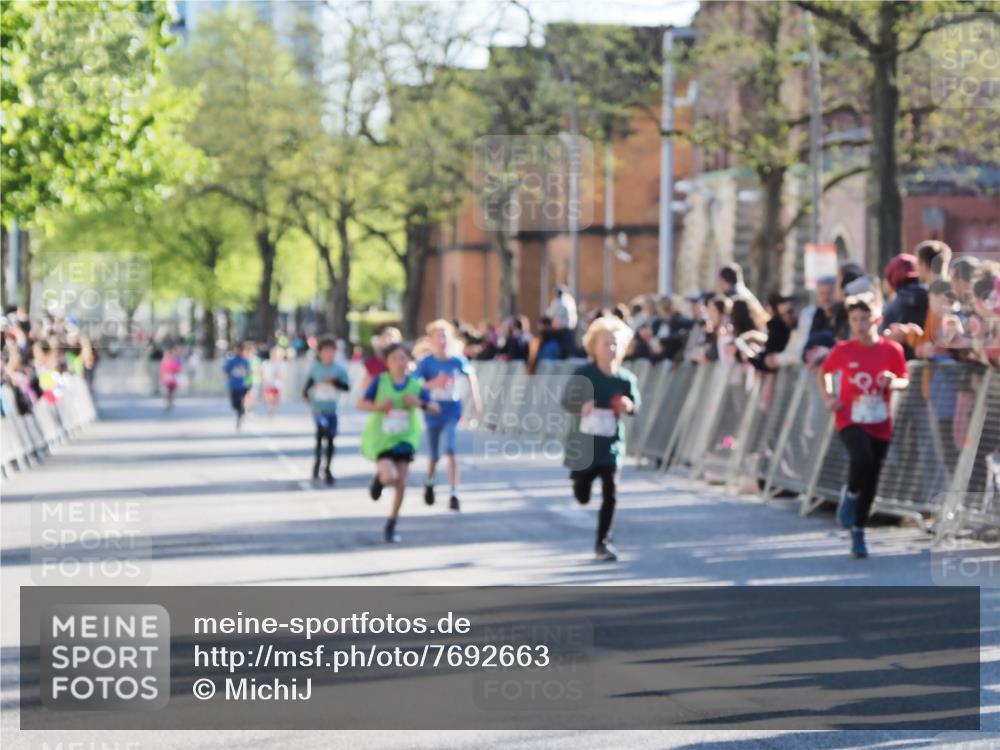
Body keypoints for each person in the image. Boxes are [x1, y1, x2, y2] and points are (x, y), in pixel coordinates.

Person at [819, 292, 909, 558]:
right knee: (862, 458)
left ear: (877, 319)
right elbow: (824, 371)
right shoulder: (843, 350)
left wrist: (893, 381)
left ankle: (858, 531)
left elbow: (904, 379)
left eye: (865, 318)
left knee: (872, 477)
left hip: (880, 421)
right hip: (849, 418)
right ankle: (851, 492)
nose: (860, 324)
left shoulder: (892, 350)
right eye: (855, 319)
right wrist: (829, 397)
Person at [560, 315, 640, 561]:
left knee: (611, 491)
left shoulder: (626, 379)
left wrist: (629, 405)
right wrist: (581, 406)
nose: (611, 349)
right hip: (584, 444)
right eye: (606, 343)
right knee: (582, 494)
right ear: (593, 347)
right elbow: (566, 401)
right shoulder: (585, 374)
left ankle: (602, 543)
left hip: (611, 444)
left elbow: (635, 404)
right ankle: (578, 483)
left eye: (616, 344)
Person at [359, 343, 440, 543]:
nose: (399, 362)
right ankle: (379, 481)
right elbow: (360, 403)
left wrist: (419, 404)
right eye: (394, 358)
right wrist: (379, 406)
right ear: (387, 362)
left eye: (403, 358)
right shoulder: (381, 381)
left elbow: (435, 408)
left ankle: (392, 522)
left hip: (405, 438)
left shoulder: (415, 384)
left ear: (409, 361)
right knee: (390, 475)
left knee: (402, 483)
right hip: (383, 438)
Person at [414, 320, 482, 511]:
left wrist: (476, 401)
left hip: (452, 408)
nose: (442, 340)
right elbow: (414, 386)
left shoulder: (456, 360)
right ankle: (429, 481)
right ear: (431, 339)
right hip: (433, 410)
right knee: (434, 454)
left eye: (445, 336)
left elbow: (471, 376)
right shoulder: (426, 362)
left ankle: (454, 493)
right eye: (438, 336)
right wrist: (432, 384)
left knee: (451, 450)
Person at [302, 336, 350, 485]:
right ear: (320, 352)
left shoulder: (339, 369)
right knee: (321, 431)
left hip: (333, 409)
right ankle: (317, 462)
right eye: (325, 351)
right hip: (318, 408)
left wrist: (334, 382)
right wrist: (307, 395)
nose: (328, 354)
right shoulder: (316, 368)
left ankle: (327, 468)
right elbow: (307, 385)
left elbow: (347, 387)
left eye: (331, 351)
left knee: (330, 438)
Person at [223, 342, 252, 430]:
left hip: (242, 385)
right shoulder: (231, 361)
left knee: (241, 402)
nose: (238, 351)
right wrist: (228, 378)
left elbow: (249, 373)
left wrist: (249, 383)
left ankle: (241, 414)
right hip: (233, 385)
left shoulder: (245, 361)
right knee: (234, 404)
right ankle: (241, 411)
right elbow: (226, 371)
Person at [260, 346, 287, 417]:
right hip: (269, 383)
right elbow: (262, 372)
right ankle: (270, 408)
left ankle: (272, 410)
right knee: (270, 397)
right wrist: (263, 380)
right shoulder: (266, 363)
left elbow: (284, 375)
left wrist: (280, 376)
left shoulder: (281, 364)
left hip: (277, 385)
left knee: (275, 399)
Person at [159, 344, 183, 412]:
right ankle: (167, 403)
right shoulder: (164, 361)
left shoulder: (176, 361)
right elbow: (162, 370)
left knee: (172, 392)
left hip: (173, 379)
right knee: (166, 391)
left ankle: (170, 402)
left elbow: (178, 370)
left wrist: (178, 379)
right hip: (166, 379)